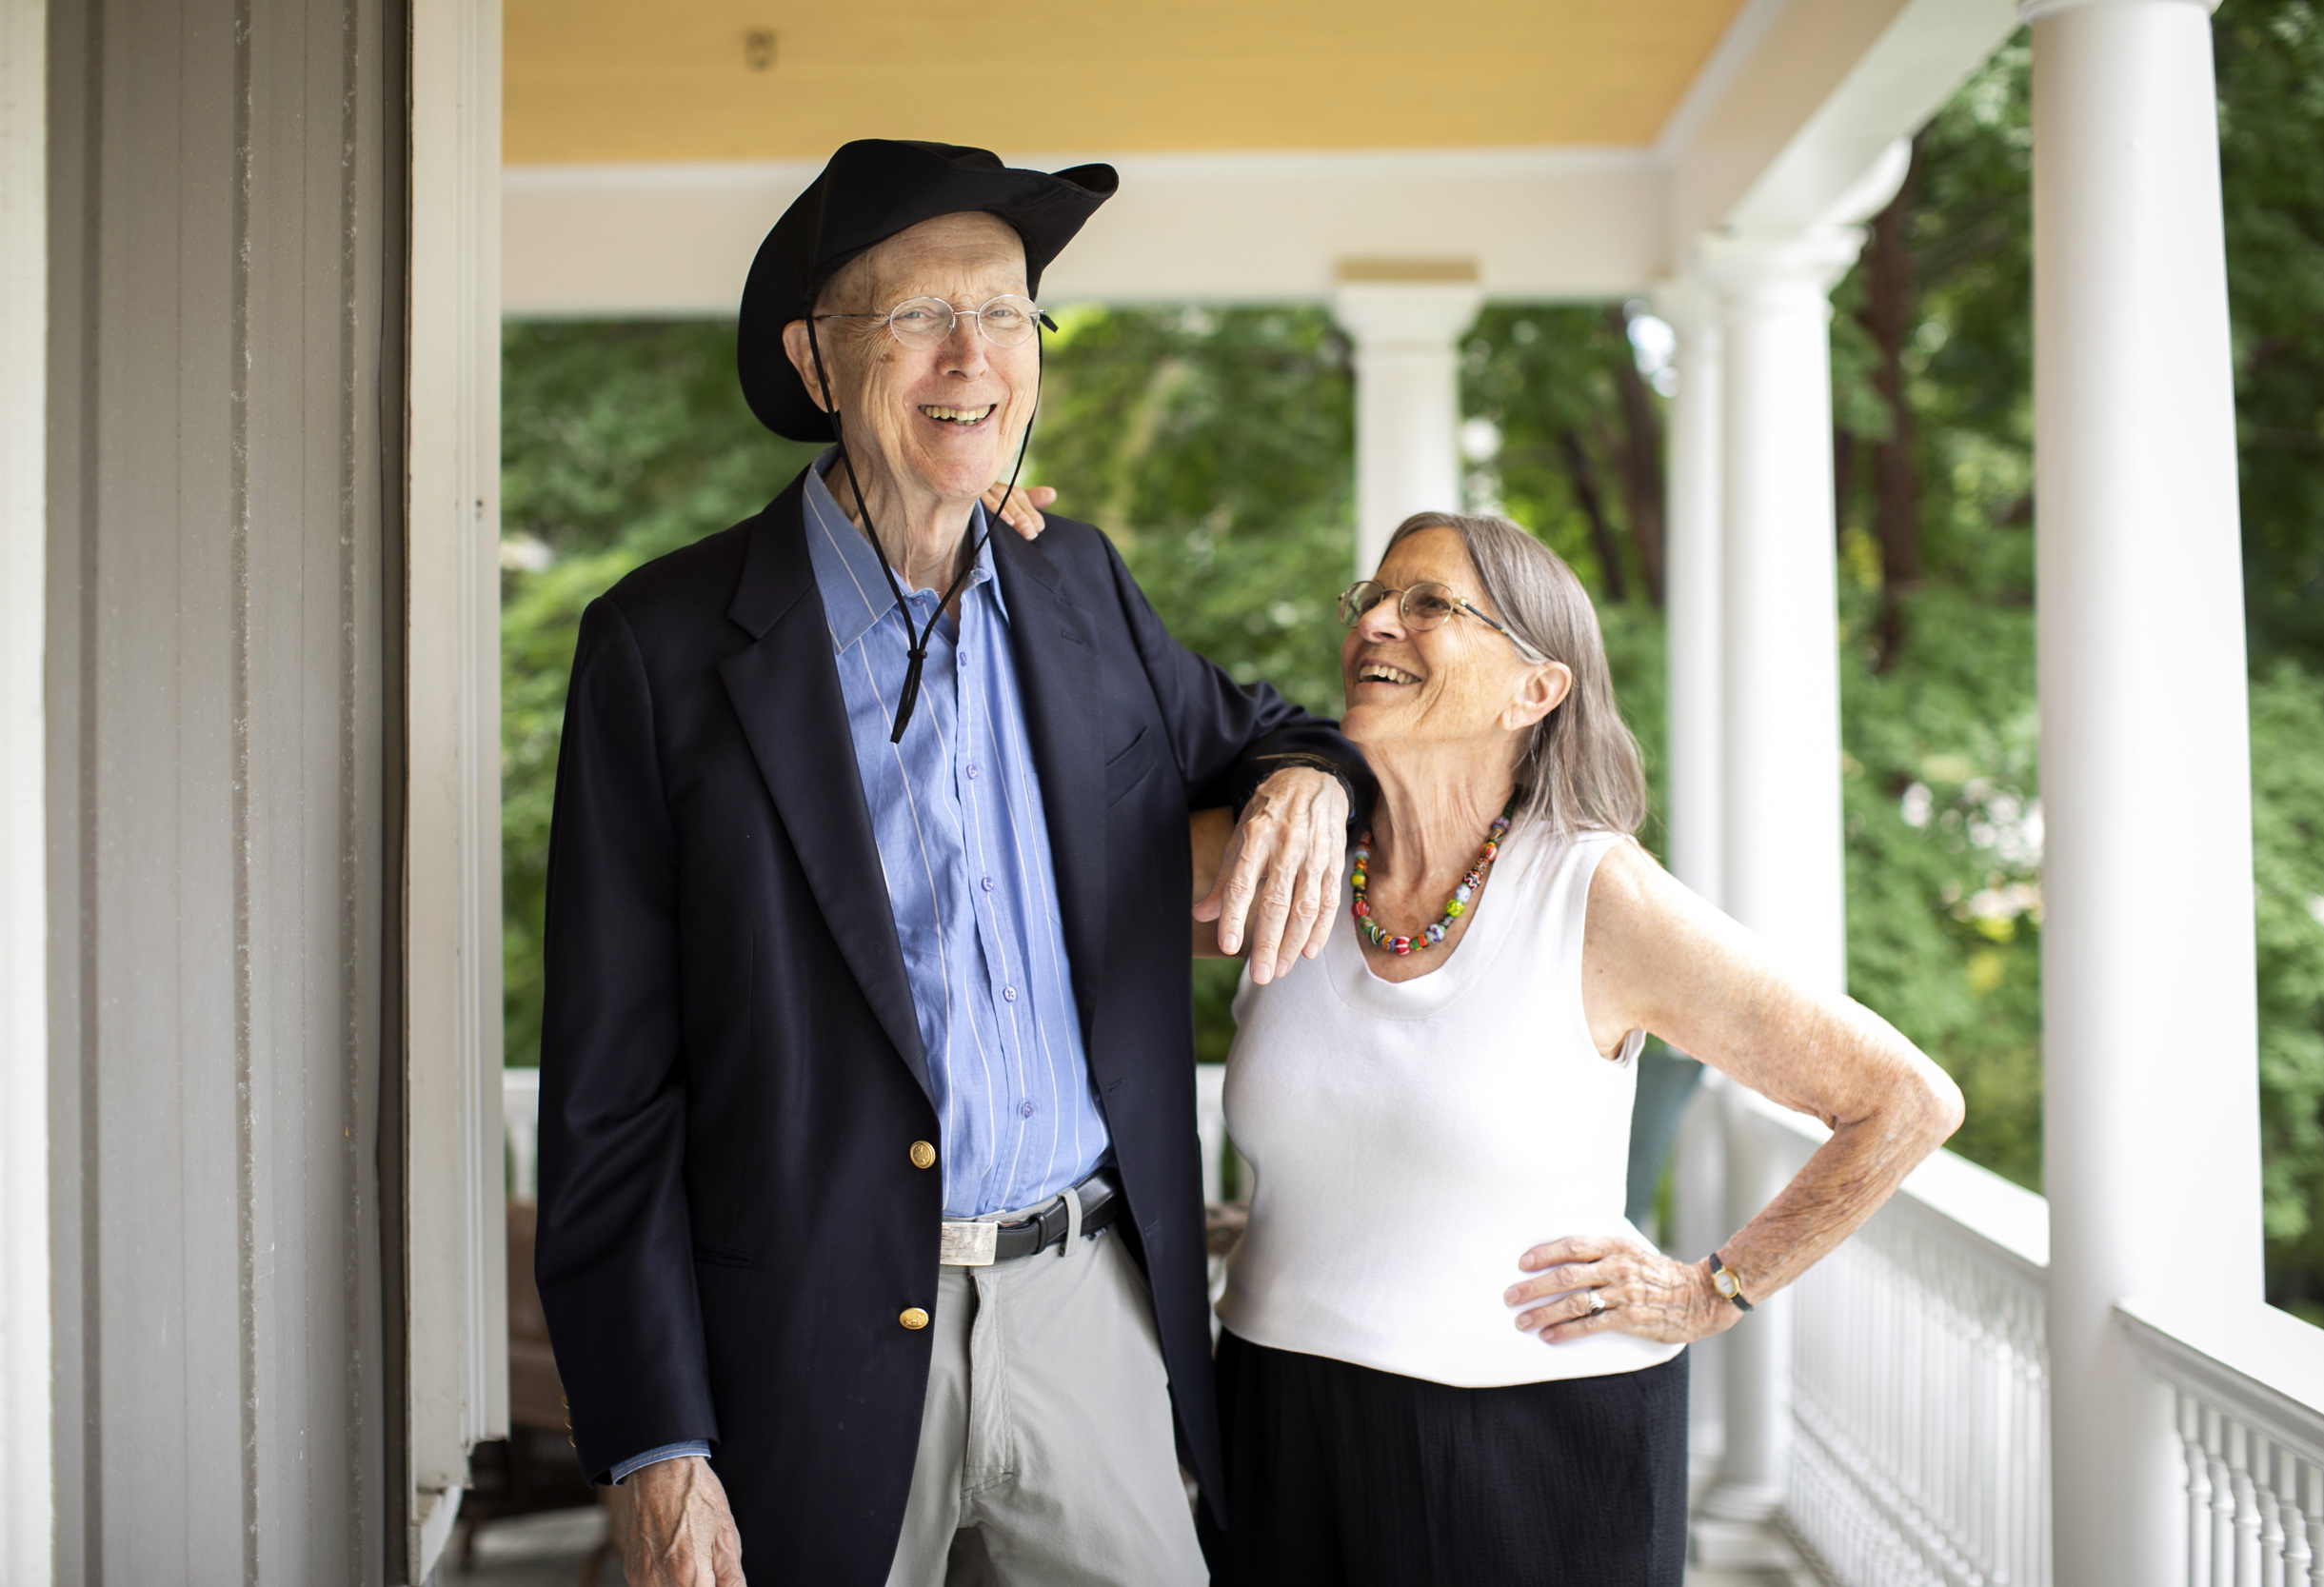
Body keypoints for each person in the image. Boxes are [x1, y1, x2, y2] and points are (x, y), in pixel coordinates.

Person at [535, 139, 1367, 1587]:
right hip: (801, 1333)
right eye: (920, 314)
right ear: (815, 359)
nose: (973, 356)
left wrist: (1307, 779)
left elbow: (1270, 727)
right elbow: (608, 1092)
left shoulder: (1080, 584)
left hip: (1087, 1296)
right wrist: (653, 1439)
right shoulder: (660, 650)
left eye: (1006, 312)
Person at [1204, 511, 1965, 1586]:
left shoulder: (1595, 891)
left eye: (1428, 603)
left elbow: (1904, 1099)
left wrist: (1711, 1291)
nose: (1375, 619)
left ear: (1536, 689)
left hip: (1533, 1452)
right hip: (1277, 1417)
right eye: (1369, 596)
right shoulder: (1298, 857)